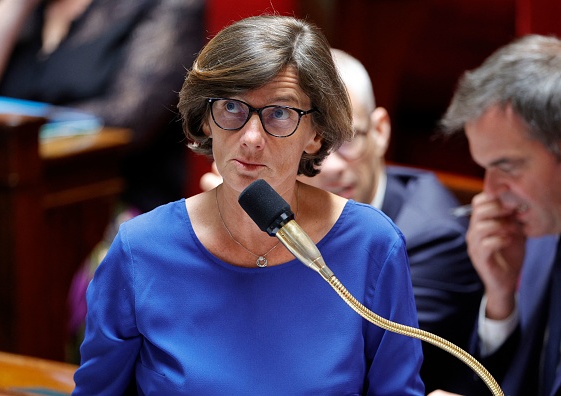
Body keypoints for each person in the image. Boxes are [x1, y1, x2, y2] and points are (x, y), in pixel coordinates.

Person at [73, 15, 425, 394]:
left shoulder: (371, 245)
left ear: (315, 132)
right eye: (231, 107)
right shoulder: (140, 249)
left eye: (279, 113)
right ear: (206, 120)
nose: (251, 137)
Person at [200, 48, 484, 393]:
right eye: (320, 145)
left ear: (379, 131)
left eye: (346, 140)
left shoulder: (430, 238)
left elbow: (343, 364)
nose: (331, 165)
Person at [0, 0, 205, 211]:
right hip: (0, 191)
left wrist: (20, 127)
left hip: (109, 200)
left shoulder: (165, 4)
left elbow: (131, 120)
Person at [433, 34, 561, 396]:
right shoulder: (538, 233)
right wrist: (501, 299)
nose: (489, 191)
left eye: (507, 165)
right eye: (484, 169)